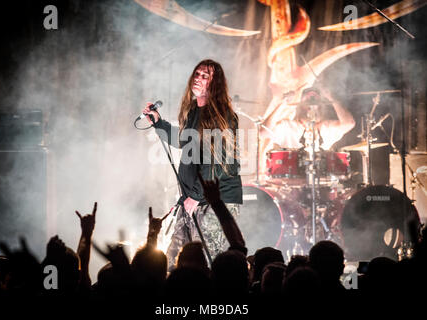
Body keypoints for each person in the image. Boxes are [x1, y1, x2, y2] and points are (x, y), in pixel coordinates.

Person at [142, 59, 243, 269]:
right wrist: (158, 123)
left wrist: (196, 196)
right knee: (175, 261)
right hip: (193, 198)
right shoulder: (193, 111)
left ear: (215, 84)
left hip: (213, 201)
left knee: (206, 263)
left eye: (205, 76)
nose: (198, 79)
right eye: (196, 75)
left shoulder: (222, 115)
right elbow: (183, 141)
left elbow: (218, 161)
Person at [261, 86, 355, 151]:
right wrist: (282, 104)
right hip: (291, 178)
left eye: (315, 97)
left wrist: (332, 99)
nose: (312, 101)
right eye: (307, 98)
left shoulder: (327, 127)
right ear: (299, 105)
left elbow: (349, 123)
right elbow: (263, 132)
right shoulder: (288, 127)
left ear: (321, 105)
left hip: (320, 177)